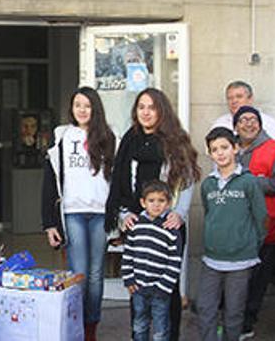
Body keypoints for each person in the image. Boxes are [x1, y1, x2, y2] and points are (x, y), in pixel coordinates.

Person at [105, 87, 201, 341]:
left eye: (152, 107)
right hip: (139, 225)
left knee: (167, 289)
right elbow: (120, 181)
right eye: (141, 107)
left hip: (169, 223)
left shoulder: (175, 139)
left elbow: (189, 178)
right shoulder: (130, 139)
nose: (146, 113)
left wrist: (179, 213)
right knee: (139, 290)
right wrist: (125, 213)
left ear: (162, 110)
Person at [41, 86, 116, 341]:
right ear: (72, 109)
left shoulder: (108, 136)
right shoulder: (62, 136)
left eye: (87, 105)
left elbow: (117, 180)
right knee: (79, 273)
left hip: (100, 214)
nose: (82, 110)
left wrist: (118, 219)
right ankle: (75, 326)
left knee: (96, 275)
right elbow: (50, 180)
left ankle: (90, 329)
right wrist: (49, 224)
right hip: (73, 213)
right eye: (77, 105)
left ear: (95, 108)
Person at [197, 127, 268, 341]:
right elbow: (210, 214)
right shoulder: (208, 184)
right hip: (212, 259)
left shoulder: (249, 182)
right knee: (205, 308)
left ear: (236, 148)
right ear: (209, 153)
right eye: (214, 149)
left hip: (240, 261)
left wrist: (249, 245)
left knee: (234, 313)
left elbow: (261, 218)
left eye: (225, 147)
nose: (220, 153)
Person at [233, 106, 275, 339]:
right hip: (236, 225)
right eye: (242, 120)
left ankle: (247, 322)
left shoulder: (274, 149)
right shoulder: (229, 147)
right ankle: (234, 317)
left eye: (253, 119)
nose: (248, 124)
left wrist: (252, 182)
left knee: (258, 277)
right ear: (235, 126)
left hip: (266, 226)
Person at [121, 180, 183, 341]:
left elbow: (175, 261)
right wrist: (128, 279)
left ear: (168, 203)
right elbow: (128, 254)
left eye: (161, 201)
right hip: (139, 288)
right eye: (151, 201)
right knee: (139, 324)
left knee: (160, 329)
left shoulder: (171, 230)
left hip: (160, 289)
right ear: (143, 202)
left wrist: (164, 286)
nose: (156, 205)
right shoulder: (136, 227)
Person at [211, 80, 275, 145]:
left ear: (250, 99)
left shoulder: (268, 123)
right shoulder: (220, 124)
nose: (234, 101)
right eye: (230, 98)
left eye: (239, 96)